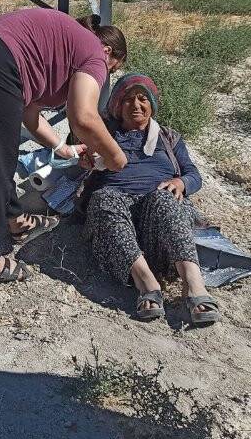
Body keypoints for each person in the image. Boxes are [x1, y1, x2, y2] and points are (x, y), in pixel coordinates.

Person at [0, 7, 128, 285]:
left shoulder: (63, 45)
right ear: (108, 52)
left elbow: (29, 114)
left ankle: (16, 221)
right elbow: (83, 117)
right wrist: (115, 155)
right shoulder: (95, 54)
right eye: (111, 70)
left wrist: (65, 149)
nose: (104, 77)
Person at [78, 73, 221, 325]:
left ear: (152, 104)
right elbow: (77, 161)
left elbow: (193, 175)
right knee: (104, 198)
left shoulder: (169, 138)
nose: (136, 105)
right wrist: (85, 162)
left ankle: (193, 283)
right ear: (117, 106)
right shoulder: (103, 135)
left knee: (164, 198)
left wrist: (181, 182)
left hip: (159, 220)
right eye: (128, 100)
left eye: (142, 99)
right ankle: (146, 283)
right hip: (117, 214)